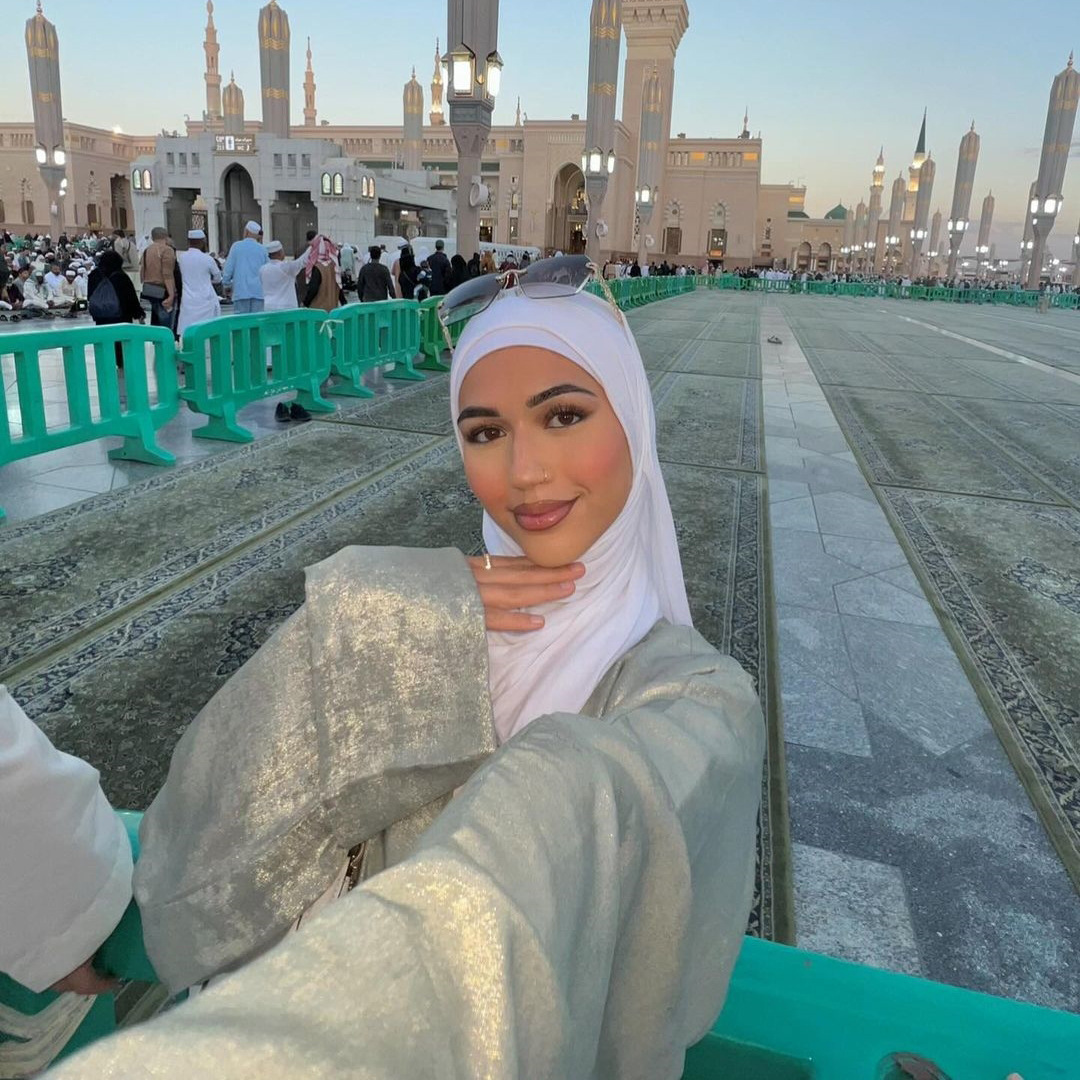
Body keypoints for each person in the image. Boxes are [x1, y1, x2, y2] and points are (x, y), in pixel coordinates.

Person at [78, 262, 764, 1080]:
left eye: (564, 416)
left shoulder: (699, 702)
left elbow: (567, 818)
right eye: (485, 432)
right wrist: (358, 625)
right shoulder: (424, 615)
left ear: (636, 423)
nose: (524, 472)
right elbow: (194, 849)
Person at [88, 249, 145, 365]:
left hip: (101, 316)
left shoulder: (94, 275)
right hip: (120, 316)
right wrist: (138, 313)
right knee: (120, 343)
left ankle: (105, 363)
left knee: (104, 341)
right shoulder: (121, 276)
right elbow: (130, 298)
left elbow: (90, 295)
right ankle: (121, 363)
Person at [175, 230, 222, 340]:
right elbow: (218, 277)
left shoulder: (182, 257)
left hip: (189, 300)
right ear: (203, 242)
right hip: (206, 299)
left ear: (189, 242)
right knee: (207, 331)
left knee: (188, 329)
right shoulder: (208, 259)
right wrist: (208, 281)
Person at [221, 221, 268, 314]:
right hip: (258, 292)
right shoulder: (263, 249)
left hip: (240, 291)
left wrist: (227, 284)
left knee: (241, 321)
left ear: (246, 231)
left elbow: (228, 269)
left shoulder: (236, 246)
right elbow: (267, 270)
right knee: (257, 320)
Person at [139, 227, 178, 330]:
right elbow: (167, 274)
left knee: (155, 320)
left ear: (152, 237)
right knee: (166, 322)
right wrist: (171, 295)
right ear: (166, 236)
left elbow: (142, 271)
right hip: (163, 289)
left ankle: (155, 337)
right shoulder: (166, 250)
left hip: (149, 289)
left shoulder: (147, 250)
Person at [259, 240, 307, 313]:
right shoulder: (286, 267)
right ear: (280, 253)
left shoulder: (262, 269)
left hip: (268, 307)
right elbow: (302, 261)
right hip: (286, 308)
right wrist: (313, 247)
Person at [302, 234, 344, 312]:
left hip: (318, 311)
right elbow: (339, 287)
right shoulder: (335, 267)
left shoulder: (318, 268)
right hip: (332, 310)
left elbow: (313, 289)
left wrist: (305, 303)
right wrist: (344, 303)